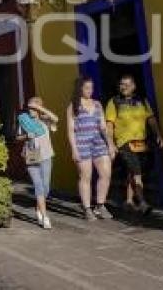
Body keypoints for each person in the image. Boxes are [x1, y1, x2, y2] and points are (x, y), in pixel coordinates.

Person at [105, 75, 163, 214]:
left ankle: (129, 201)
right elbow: (109, 124)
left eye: (127, 84)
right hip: (124, 142)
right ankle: (142, 203)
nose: (124, 87)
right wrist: (111, 143)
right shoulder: (114, 102)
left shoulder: (142, 101)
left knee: (133, 172)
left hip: (141, 142)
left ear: (134, 86)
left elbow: (151, 119)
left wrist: (158, 135)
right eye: (121, 84)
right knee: (136, 172)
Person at [66, 76, 115, 221]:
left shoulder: (98, 104)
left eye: (91, 88)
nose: (90, 91)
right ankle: (87, 208)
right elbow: (70, 130)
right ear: (80, 88)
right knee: (85, 176)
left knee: (106, 173)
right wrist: (74, 150)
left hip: (98, 142)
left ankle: (100, 206)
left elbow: (103, 127)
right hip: (82, 143)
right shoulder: (73, 106)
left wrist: (110, 144)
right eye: (87, 88)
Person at [18, 98, 59, 229]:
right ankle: (45, 217)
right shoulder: (24, 120)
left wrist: (40, 109)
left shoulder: (45, 120)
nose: (31, 110)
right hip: (32, 156)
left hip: (46, 156)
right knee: (38, 185)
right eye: (29, 107)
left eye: (33, 108)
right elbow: (17, 137)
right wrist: (26, 136)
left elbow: (56, 119)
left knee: (46, 187)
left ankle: (38, 208)